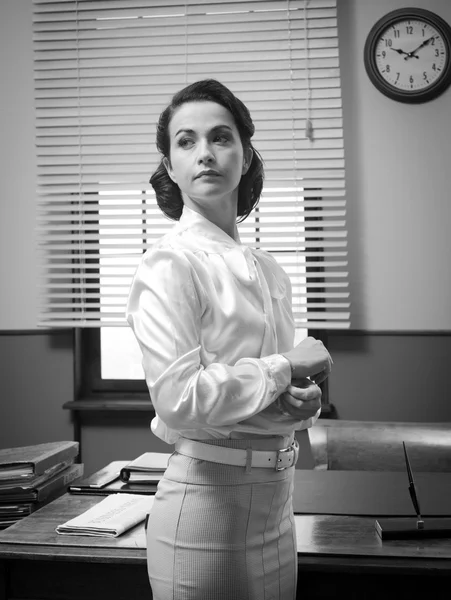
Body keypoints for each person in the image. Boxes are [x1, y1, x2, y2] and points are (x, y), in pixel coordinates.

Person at [126, 79, 333, 600]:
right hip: (204, 508)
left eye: (220, 137)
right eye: (186, 142)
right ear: (170, 167)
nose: (205, 154)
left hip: (278, 504)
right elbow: (179, 402)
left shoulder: (269, 269)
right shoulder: (168, 264)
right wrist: (285, 366)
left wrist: (300, 400)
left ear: (244, 155)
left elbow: (271, 392)